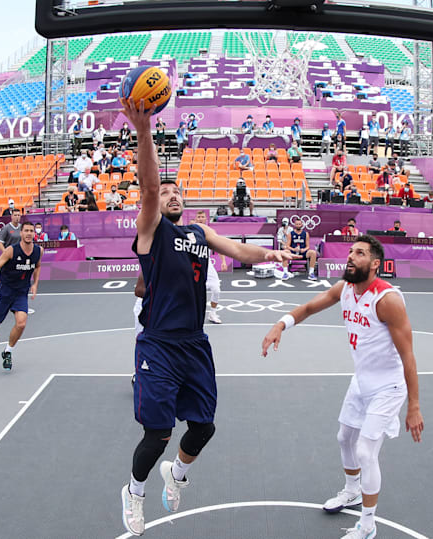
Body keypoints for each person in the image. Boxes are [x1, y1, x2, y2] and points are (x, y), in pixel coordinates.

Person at [118, 98, 292, 536]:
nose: (171, 194)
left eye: (179, 191)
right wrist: (144, 131)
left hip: (195, 344)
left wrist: (270, 252)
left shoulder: (199, 233)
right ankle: (134, 493)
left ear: (187, 199)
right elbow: (151, 189)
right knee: (158, 432)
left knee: (204, 427)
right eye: (167, 191)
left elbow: (238, 250)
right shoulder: (151, 232)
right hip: (157, 342)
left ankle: (176, 474)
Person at [260, 235, 424, 539]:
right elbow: (309, 308)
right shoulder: (345, 289)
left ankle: (368, 524)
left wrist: (413, 406)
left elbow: (408, 357)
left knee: (365, 451)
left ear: (375, 264)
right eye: (350, 251)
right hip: (361, 381)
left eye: (359, 253)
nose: (350, 256)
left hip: (388, 387)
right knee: (344, 438)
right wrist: (280, 324)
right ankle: (352, 491)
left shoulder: (387, 300)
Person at [0, 221, 41, 374]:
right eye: (26, 230)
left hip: (21, 293)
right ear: (21, 233)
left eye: (31, 231)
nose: (28, 233)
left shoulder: (38, 251)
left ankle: (8, 352)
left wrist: (35, 284)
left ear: (34, 234)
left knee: (21, 324)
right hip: (5, 291)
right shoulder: (11, 251)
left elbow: (38, 266)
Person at [194, 210, 222, 324]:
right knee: (193, 292)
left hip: (208, 265)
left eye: (202, 217)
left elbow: (219, 246)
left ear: (206, 219)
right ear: (196, 219)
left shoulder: (210, 233)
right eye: (198, 217)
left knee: (216, 289)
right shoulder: (191, 231)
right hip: (194, 265)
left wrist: (224, 261)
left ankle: (213, 314)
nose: (200, 218)